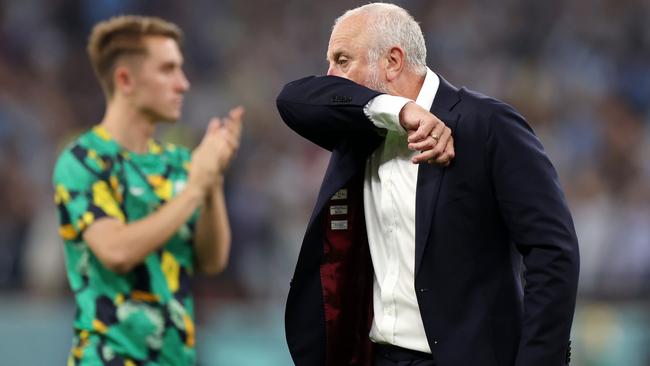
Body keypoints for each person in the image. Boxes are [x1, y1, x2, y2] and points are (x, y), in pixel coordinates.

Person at [276, 3, 579, 366]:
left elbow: (553, 251)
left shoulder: (487, 125)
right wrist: (400, 111)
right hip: (380, 357)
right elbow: (293, 99)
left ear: (392, 61)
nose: (330, 76)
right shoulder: (360, 129)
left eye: (342, 61)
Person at [53, 15, 242, 365]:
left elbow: (212, 260)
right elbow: (115, 251)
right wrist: (195, 187)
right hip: (107, 356)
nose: (183, 84)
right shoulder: (83, 159)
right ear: (126, 79)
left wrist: (212, 179)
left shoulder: (179, 163)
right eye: (168, 70)